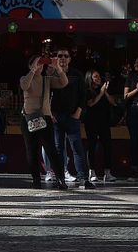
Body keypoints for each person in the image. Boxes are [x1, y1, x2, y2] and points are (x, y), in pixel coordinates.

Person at [19, 49, 68, 189]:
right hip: (28, 118)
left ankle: (60, 178)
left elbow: (64, 82)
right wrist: (33, 70)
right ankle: (36, 179)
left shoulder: (47, 80)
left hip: (45, 117)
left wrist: (57, 67)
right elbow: (25, 85)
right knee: (32, 150)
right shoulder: (25, 77)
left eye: (41, 65)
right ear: (30, 65)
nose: (40, 67)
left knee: (51, 149)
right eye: (37, 64)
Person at [49, 48, 91, 189]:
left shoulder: (77, 74)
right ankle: (60, 178)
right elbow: (46, 95)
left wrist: (79, 111)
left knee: (77, 147)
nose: (62, 58)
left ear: (70, 59)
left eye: (65, 56)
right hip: (56, 116)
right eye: (59, 55)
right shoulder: (51, 74)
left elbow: (83, 95)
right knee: (58, 148)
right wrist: (49, 113)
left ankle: (83, 179)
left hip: (73, 115)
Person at [83, 69, 120, 183]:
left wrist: (105, 92)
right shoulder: (88, 90)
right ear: (90, 78)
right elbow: (91, 103)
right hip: (91, 121)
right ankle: (92, 172)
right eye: (95, 77)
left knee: (107, 146)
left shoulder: (104, 90)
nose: (98, 78)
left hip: (104, 122)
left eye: (99, 76)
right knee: (92, 146)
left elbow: (114, 103)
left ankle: (107, 172)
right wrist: (100, 93)